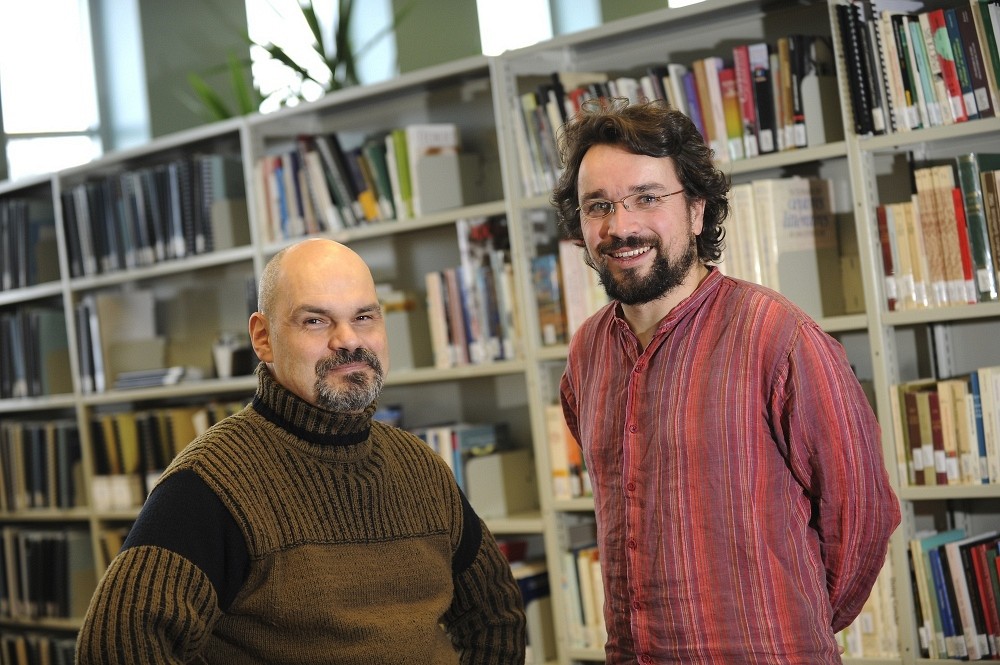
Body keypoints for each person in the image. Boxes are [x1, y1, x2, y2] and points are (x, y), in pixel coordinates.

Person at [550, 98, 900, 664]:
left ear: (696, 209)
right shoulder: (587, 352)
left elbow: (862, 515)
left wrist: (789, 623)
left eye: (647, 198)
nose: (621, 226)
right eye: (599, 206)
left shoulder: (779, 336)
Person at [76, 238, 526, 665]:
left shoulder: (419, 466)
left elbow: (496, 617)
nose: (348, 340)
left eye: (364, 317)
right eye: (316, 321)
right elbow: (115, 646)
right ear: (263, 337)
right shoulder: (211, 484)